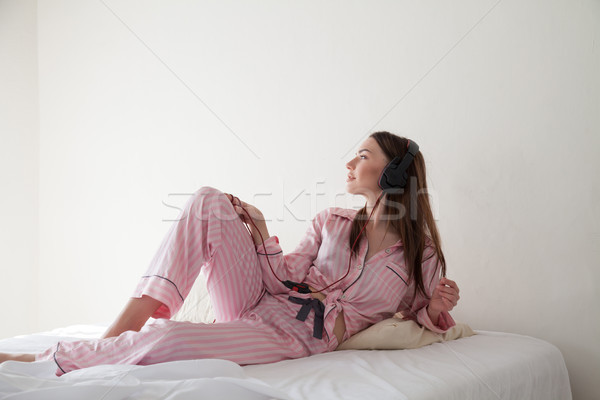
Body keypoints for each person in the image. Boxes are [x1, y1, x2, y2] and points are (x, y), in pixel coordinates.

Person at [0, 131, 460, 375]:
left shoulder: (421, 256)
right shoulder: (331, 223)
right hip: (262, 299)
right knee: (207, 198)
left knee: (172, 340)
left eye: (363, 154)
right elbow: (284, 278)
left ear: (396, 171)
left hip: (297, 336)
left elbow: (416, 318)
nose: (349, 163)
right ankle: (111, 337)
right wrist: (261, 233)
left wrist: (437, 308)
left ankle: (51, 361)